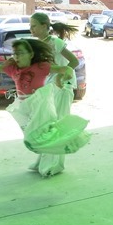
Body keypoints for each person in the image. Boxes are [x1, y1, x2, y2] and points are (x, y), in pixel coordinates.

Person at [0, 38, 87, 177]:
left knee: (35, 137)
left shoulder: (40, 67)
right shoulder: (13, 68)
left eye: (20, 53)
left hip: (39, 103)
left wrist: (63, 76)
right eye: (15, 53)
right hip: (24, 105)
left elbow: (66, 68)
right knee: (34, 138)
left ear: (31, 54)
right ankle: (58, 144)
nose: (16, 56)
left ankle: (68, 142)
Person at [30, 12, 80, 175]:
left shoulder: (55, 42)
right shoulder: (37, 45)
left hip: (62, 86)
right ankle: (44, 160)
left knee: (57, 123)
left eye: (35, 26)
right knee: (46, 123)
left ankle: (54, 165)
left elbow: (74, 61)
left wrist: (60, 75)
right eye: (30, 26)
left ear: (45, 26)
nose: (32, 29)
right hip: (49, 86)